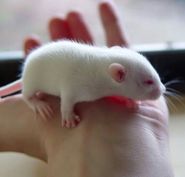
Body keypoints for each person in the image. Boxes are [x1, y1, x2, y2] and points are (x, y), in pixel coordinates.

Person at [0, 1, 174, 177]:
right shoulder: (89, 84)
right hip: (38, 69)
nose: (161, 89)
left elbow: (117, 89)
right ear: (118, 75)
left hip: (56, 63)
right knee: (31, 87)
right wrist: (66, 113)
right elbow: (69, 90)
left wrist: (128, 96)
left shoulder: (108, 74)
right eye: (148, 83)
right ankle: (30, 99)